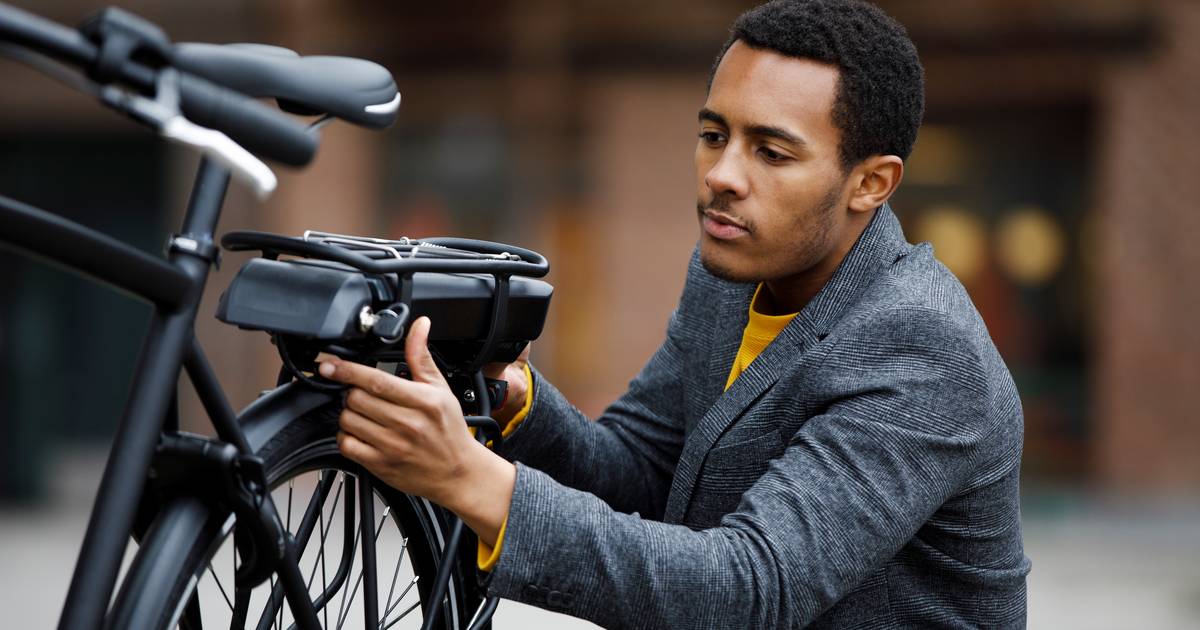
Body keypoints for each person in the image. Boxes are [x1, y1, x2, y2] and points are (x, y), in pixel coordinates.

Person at [316, 0, 1032, 627]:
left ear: (870, 183)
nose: (722, 175)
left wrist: (473, 481)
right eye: (714, 135)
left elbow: (751, 589)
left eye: (772, 153)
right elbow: (643, 475)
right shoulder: (734, 273)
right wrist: (512, 402)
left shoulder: (923, 347)